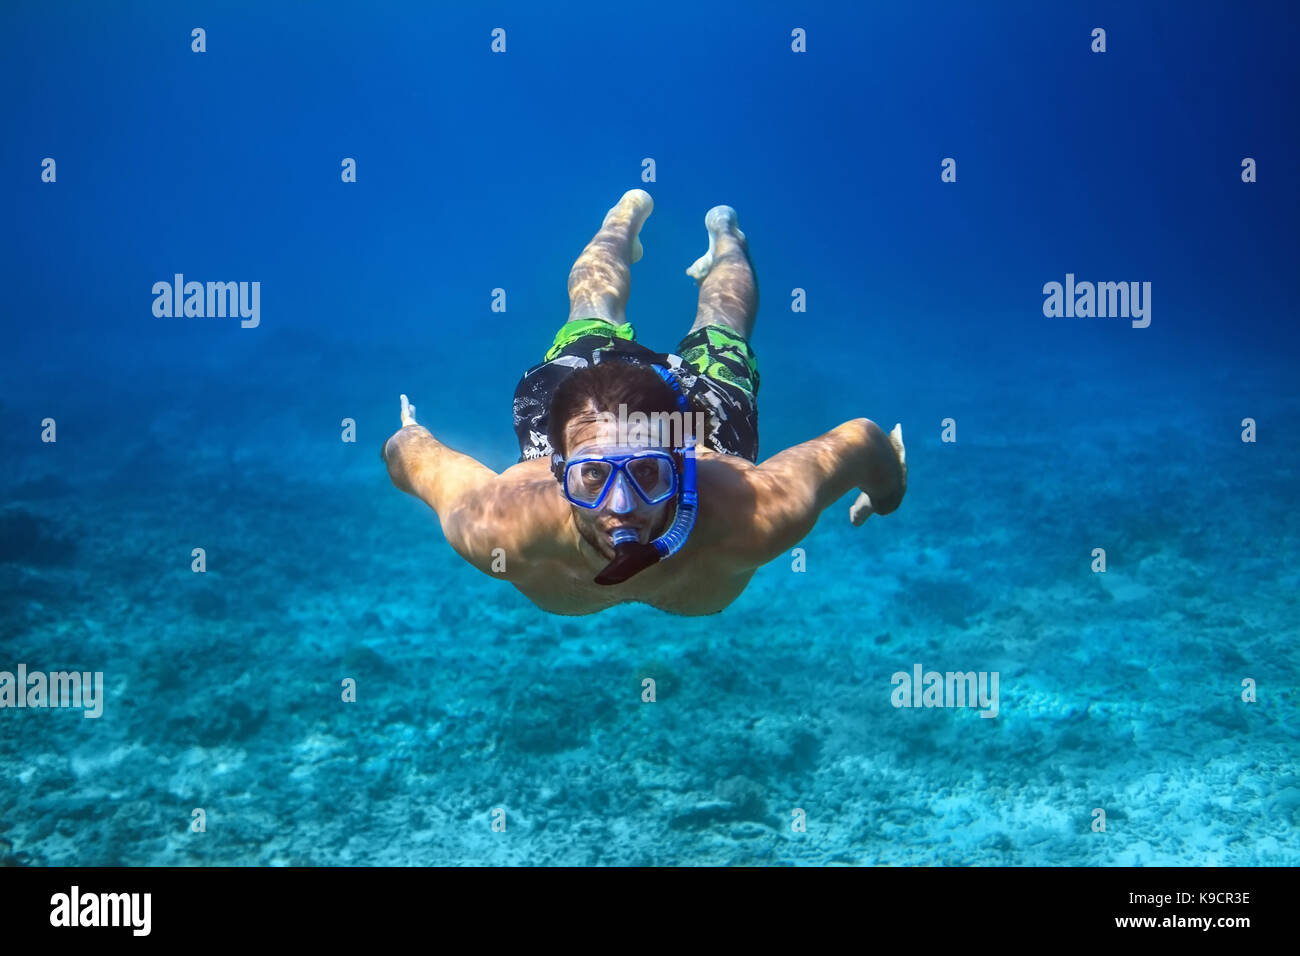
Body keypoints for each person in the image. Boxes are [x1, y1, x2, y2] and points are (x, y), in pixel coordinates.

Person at [383, 189, 906, 616]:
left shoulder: (755, 513)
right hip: (588, 393)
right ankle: (621, 222)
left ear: (682, 462)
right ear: (557, 470)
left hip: (702, 415)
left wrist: (885, 498)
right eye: (591, 477)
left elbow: (861, 440)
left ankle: (728, 237)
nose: (621, 506)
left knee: (722, 323)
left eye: (647, 473)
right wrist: (407, 437)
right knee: (596, 303)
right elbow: (414, 462)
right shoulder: (498, 525)